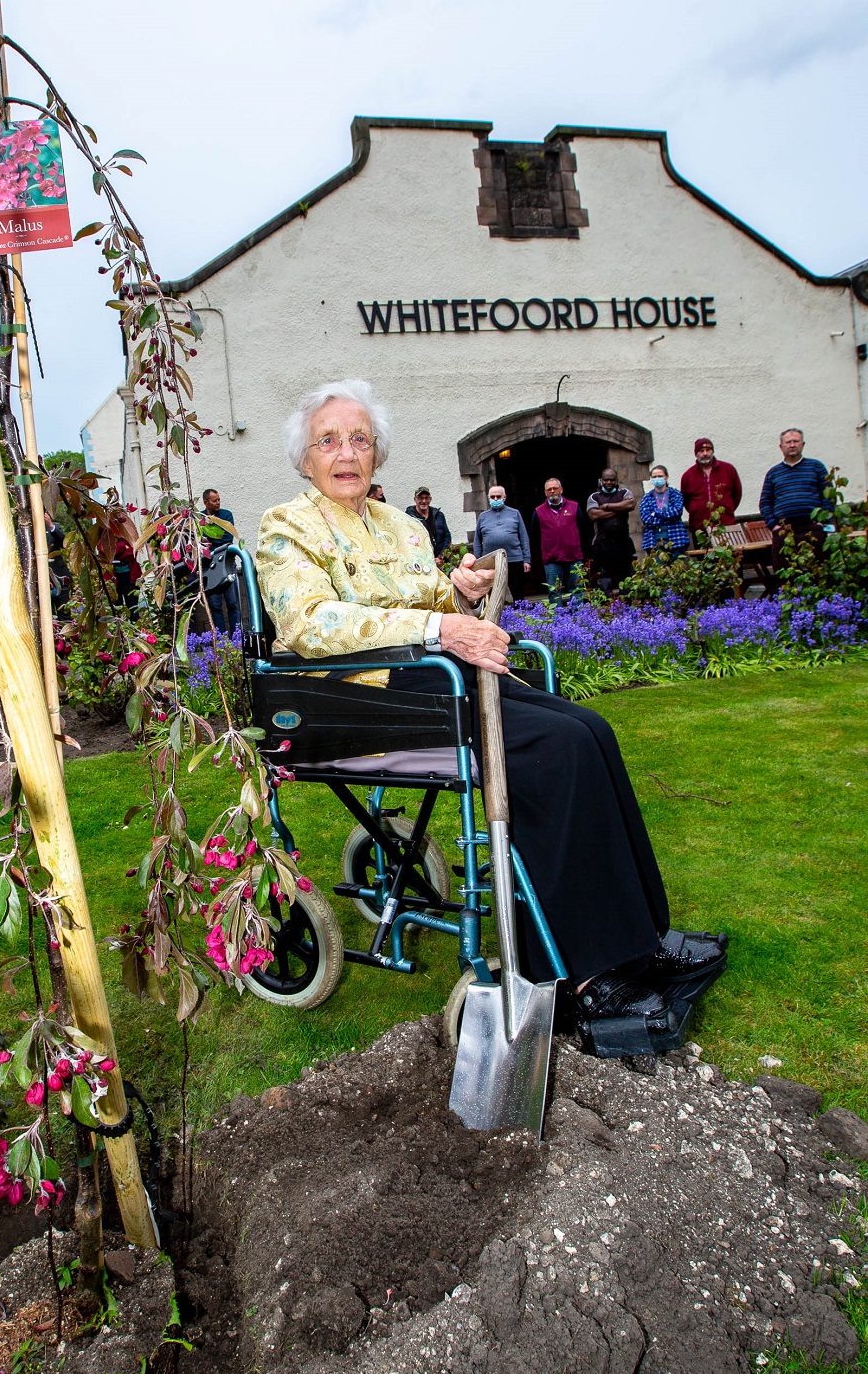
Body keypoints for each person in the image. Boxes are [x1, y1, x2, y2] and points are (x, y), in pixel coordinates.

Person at [255, 380, 724, 1027]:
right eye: (328, 440)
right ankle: (580, 975)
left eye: (359, 438)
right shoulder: (287, 526)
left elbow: (428, 607)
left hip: (436, 676)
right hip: (363, 698)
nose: (346, 452)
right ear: (305, 458)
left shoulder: (403, 525)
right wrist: (441, 628)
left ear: (377, 453)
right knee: (552, 752)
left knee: (590, 730)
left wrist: (458, 594)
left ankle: (640, 938)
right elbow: (306, 623)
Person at [759, 428, 832, 577]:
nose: (792, 445)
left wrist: (821, 522)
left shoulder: (816, 467)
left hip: (812, 525)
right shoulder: (773, 473)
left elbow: (828, 496)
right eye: (788, 442)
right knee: (783, 573)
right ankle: (786, 599)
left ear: (803, 444)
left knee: (821, 571)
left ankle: (824, 599)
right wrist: (774, 525)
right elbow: (765, 502)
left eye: (796, 441)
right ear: (781, 447)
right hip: (784, 529)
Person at [532, 478, 585, 606]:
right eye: (549, 489)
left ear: (561, 490)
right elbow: (535, 534)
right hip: (552, 559)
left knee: (577, 590)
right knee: (554, 592)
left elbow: (582, 528)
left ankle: (580, 619)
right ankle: (558, 621)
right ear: (545, 493)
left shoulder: (574, 506)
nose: (552, 491)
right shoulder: (538, 511)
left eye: (555, 488)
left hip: (574, 557)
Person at [474, 484, 532, 600]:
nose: (495, 499)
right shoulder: (483, 517)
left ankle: (520, 615)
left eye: (498, 496)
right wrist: (478, 562)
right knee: (492, 595)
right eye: (493, 496)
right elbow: (477, 541)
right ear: (488, 497)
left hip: (514, 559)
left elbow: (524, 537)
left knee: (518, 593)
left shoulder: (515, 513)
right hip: (491, 562)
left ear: (504, 497)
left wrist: (527, 559)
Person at [586, 468, 636, 592]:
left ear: (616, 480)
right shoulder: (594, 497)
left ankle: (628, 607)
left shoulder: (624, 492)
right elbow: (594, 515)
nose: (609, 482)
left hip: (623, 543)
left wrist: (607, 507)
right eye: (606, 480)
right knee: (604, 579)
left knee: (627, 579)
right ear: (601, 480)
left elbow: (630, 505)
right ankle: (607, 607)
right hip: (602, 545)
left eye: (612, 480)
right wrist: (619, 510)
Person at [680, 438, 742, 535]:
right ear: (696, 454)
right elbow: (686, 501)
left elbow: (737, 494)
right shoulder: (688, 475)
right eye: (701, 451)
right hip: (700, 529)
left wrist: (727, 509)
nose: (705, 453)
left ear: (712, 451)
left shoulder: (728, 470)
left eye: (708, 450)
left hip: (725, 526)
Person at [201, 488, 240, 638]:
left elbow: (227, 538)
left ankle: (236, 637)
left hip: (227, 563)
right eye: (214, 500)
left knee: (232, 602)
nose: (217, 503)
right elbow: (201, 541)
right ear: (206, 502)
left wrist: (210, 537)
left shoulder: (226, 515)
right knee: (215, 605)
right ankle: (222, 639)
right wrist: (211, 538)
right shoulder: (200, 518)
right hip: (209, 567)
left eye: (218, 500)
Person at [639, 466, 690, 560]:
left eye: (660, 476)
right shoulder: (647, 497)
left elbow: (677, 512)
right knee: (657, 571)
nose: (657, 479)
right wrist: (668, 518)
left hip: (676, 538)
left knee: (677, 570)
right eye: (654, 477)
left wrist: (656, 513)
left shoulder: (675, 494)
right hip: (654, 540)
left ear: (666, 477)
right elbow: (645, 518)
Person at [406, 486, 451, 562]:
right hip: (421, 562)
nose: (424, 501)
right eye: (420, 498)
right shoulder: (409, 518)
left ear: (430, 499)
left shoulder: (439, 515)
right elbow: (408, 541)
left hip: (441, 561)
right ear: (415, 500)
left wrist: (441, 557)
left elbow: (447, 536)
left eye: (426, 498)